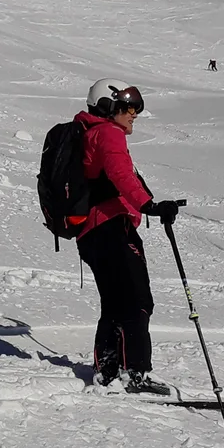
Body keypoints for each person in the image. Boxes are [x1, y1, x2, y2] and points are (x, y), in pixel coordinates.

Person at [72, 78, 182, 395]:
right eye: (129, 107)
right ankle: (134, 373)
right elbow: (120, 173)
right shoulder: (107, 132)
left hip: (94, 231)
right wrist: (148, 205)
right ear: (109, 105)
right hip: (109, 225)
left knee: (117, 302)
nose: (134, 113)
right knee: (136, 301)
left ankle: (109, 372)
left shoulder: (91, 134)